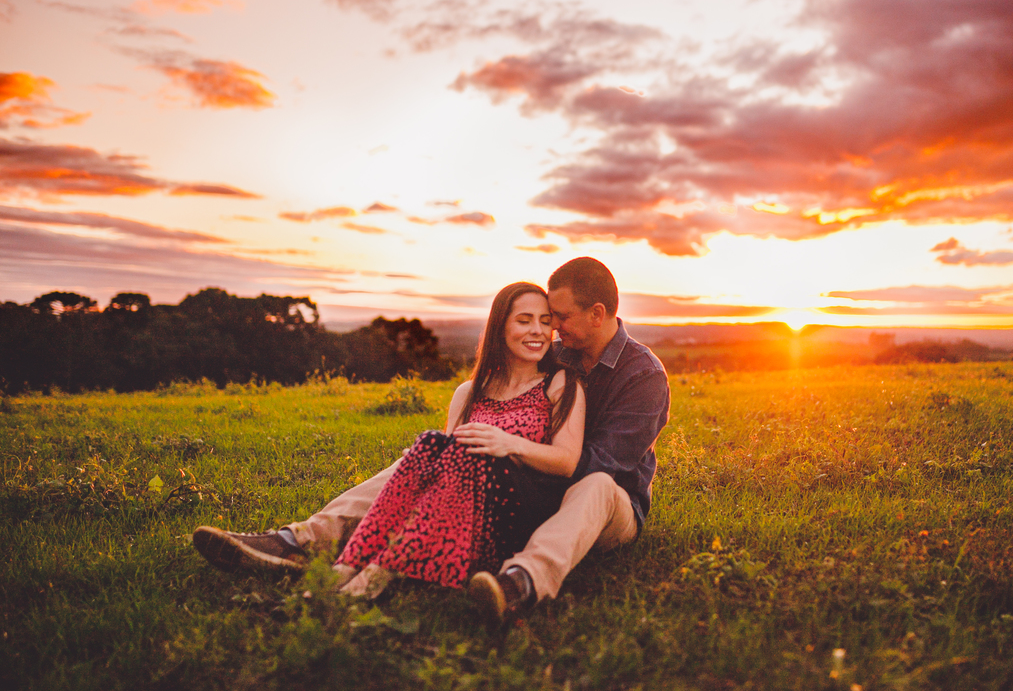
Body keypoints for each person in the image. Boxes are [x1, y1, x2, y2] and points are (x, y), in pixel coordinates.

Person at [192, 257, 671, 622]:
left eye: (559, 317)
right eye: (543, 318)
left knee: (595, 487)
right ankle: (298, 541)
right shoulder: (557, 356)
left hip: (606, 507)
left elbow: (600, 464)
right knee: (422, 457)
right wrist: (467, 463)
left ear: (598, 313)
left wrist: (509, 454)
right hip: (526, 489)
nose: (551, 328)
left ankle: (520, 581)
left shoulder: (642, 375)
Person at [331, 282, 584, 599]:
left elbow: (567, 461)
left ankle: (379, 570)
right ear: (500, 326)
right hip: (459, 515)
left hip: (517, 515)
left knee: (461, 450)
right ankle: (350, 564)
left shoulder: (559, 383)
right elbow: (448, 470)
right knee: (431, 443)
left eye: (545, 322)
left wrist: (508, 443)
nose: (537, 331)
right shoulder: (470, 391)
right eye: (524, 320)